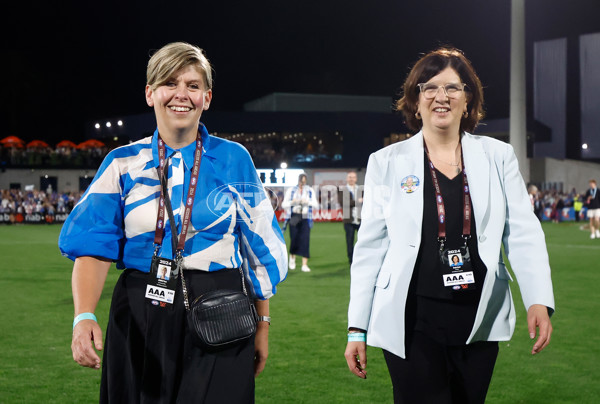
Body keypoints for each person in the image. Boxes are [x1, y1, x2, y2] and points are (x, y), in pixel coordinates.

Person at [59, 42, 287, 403]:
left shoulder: (234, 159)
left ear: (207, 98)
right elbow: (93, 245)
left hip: (222, 306)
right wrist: (83, 315)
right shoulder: (121, 163)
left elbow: (259, 249)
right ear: (150, 93)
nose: (181, 94)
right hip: (140, 309)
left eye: (193, 85)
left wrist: (263, 325)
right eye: (169, 82)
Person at [344, 47, 554, 404]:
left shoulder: (498, 157)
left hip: (479, 317)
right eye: (430, 88)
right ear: (415, 100)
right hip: (412, 320)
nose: (441, 96)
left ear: (468, 100)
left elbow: (522, 230)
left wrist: (538, 299)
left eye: (453, 88)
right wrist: (356, 328)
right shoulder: (386, 162)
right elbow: (371, 248)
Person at [281, 173, 319, 272]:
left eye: (304, 181)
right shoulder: (291, 190)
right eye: (301, 181)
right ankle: (292, 259)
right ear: (298, 181)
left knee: (305, 240)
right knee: (294, 238)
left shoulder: (310, 191)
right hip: (294, 215)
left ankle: (304, 264)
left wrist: (307, 202)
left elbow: (315, 204)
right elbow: (284, 204)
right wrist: (293, 202)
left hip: (306, 216)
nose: (302, 183)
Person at [338, 171, 362, 264]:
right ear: (347, 179)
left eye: (353, 177)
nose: (351, 179)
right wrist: (358, 201)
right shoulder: (342, 190)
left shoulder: (360, 189)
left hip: (360, 220)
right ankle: (351, 261)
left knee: (362, 241)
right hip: (349, 221)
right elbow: (343, 203)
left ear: (356, 178)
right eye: (350, 177)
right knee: (349, 241)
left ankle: (361, 259)